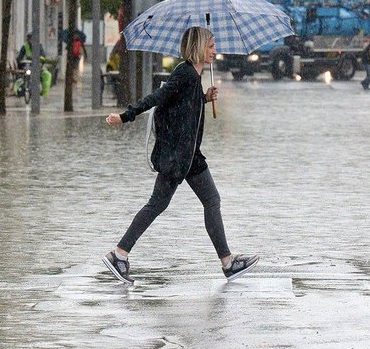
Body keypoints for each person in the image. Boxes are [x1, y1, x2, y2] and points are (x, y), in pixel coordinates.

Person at [103, 26, 259, 285]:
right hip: (178, 156)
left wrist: (204, 98)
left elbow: (184, 105)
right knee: (158, 204)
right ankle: (119, 254)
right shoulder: (185, 73)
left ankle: (228, 262)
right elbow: (157, 97)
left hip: (189, 156)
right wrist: (124, 116)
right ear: (198, 47)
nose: (215, 51)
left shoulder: (192, 77)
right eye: (210, 46)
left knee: (210, 200)